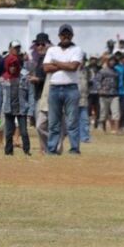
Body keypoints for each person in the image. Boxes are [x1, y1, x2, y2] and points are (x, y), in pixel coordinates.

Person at [43, 24, 83, 155]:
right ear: (59, 36)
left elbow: (73, 67)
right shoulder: (52, 50)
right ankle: (52, 149)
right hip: (54, 88)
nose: (66, 36)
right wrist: (65, 65)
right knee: (53, 122)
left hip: (71, 88)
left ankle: (74, 148)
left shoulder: (77, 49)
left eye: (68, 34)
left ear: (72, 35)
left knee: (72, 121)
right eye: (63, 34)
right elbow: (46, 68)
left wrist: (56, 63)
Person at [0, 53, 33, 155]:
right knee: (9, 132)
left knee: (24, 132)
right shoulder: (3, 79)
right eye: (10, 65)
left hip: (22, 108)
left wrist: (31, 110)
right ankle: (8, 151)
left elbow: (31, 94)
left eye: (15, 65)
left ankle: (27, 150)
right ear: (7, 66)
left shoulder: (25, 76)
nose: (13, 68)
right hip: (8, 108)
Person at [96, 55, 120, 133]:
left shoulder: (117, 72)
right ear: (108, 62)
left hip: (114, 94)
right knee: (103, 113)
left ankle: (116, 130)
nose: (112, 62)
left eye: (114, 61)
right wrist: (99, 89)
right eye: (111, 61)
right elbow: (97, 81)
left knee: (116, 112)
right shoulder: (102, 71)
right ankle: (104, 129)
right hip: (104, 94)